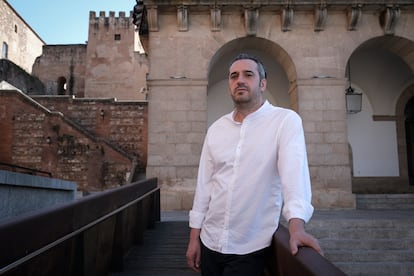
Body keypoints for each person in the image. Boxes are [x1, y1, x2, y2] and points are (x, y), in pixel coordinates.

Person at [186, 53, 323, 276]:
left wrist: (296, 227)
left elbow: (294, 176)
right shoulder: (216, 129)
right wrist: (194, 239)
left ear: (262, 83)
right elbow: (205, 187)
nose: (239, 80)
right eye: (233, 76)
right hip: (209, 242)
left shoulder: (285, 121)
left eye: (248, 75)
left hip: (250, 247)